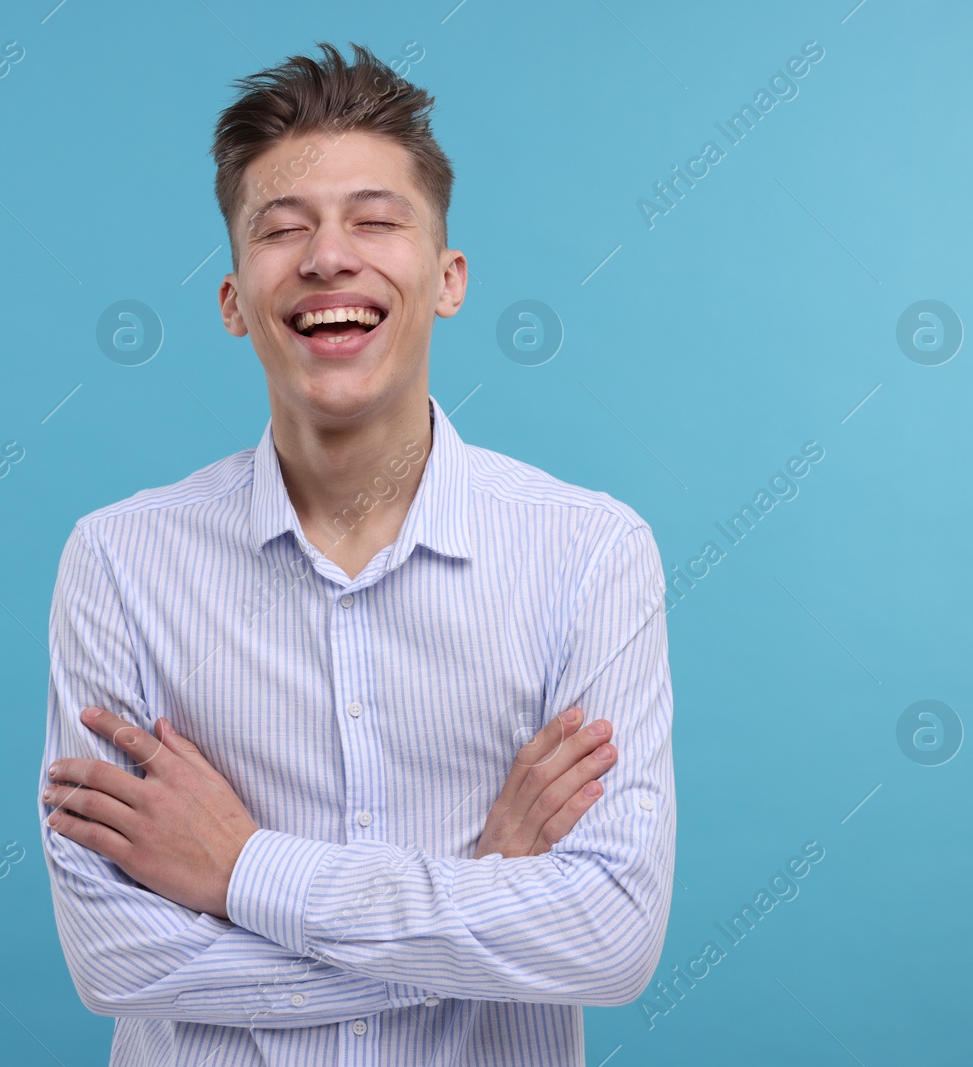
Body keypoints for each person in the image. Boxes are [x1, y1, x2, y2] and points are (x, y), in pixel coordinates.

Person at [38, 41, 675, 1066]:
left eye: (376, 221)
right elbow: (116, 956)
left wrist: (241, 869)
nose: (328, 256)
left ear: (448, 278)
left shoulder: (591, 554)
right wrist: (482, 884)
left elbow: (608, 935)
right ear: (235, 299)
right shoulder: (118, 563)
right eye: (281, 230)